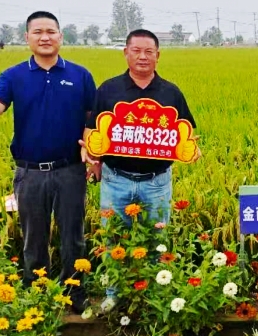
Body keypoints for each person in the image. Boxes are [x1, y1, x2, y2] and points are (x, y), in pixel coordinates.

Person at [0, 10, 96, 314]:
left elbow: (91, 119)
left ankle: (74, 291)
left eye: (50, 31)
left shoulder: (80, 75)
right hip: (29, 172)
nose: (45, 37)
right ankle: (37, 294)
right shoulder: (13, 75)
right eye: (38, 32)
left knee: (73, 236)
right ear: (27, 37)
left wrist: (93, 155)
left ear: (60, 36)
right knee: (33, 237)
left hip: (70, 169)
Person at [82, 29, 198, 313]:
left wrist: (191, 150)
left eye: (149, 52)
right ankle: (114, 294)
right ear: (126, 53)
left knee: (157, 241)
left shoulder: (171, 93)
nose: (143, 56)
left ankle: (154, 295)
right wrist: (93, 158)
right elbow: (92, 130)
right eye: (136, 51)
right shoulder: (108, 90)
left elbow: (186, 134)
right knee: (114, 238)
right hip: (115, 179)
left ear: (158, 55)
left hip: (156, 182)